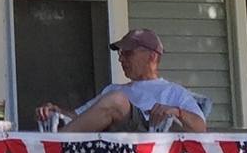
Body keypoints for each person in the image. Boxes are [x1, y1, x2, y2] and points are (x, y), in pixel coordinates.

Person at [39, 28, 209, 133]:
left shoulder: (173, 92)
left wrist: (177, 112)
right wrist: (57, 111)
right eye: (119, 54)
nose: (121, 59)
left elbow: (200, 127)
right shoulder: (113, 89)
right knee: (115, 96)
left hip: (145, 146)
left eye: (127, 53)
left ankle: (54, 145)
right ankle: (56, 143)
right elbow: (79, 118)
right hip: (109, 150)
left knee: (117, 99)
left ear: (151, 57)